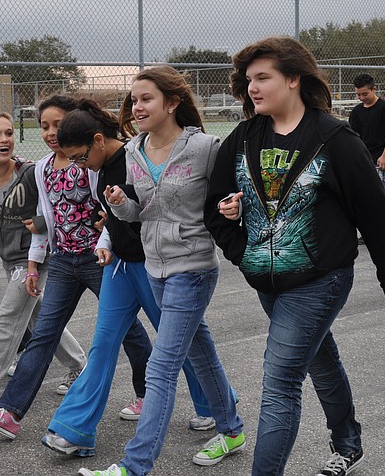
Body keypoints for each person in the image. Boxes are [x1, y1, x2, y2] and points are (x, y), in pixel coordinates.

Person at [205, 36, 385, 476]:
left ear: (294, 79)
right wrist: (243, 251)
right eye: (248, 80)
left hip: (321, 280)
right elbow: (214, 206)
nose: (252, 88)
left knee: (280, 383)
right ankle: (348, 444)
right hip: (266, 278)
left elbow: (376, 214)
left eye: (263, 78)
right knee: (321, 360)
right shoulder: (243, 138)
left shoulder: (335, 139)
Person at [43, 98, 232, 459]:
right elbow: (116, 217)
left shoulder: (135, 156)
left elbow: (156, 209)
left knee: (188, 346)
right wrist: (106, 238)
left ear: (98, 140)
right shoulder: (102, 165)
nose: (79, 165)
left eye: (81, 157)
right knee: (103, 346)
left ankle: (216, 407)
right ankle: (74, 429)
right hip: (120, 267)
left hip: (158, 267)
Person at [80, 67, 243, 476]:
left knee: (162, 366)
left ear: (172, 103)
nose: (137, 107)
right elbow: (142, 214)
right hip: (155, 268)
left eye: (146, 99)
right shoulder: (133, 152)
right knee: (199, 350)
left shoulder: (206, 146)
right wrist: (119, 203)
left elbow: (233, 193)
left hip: (193, 267)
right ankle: (232, 429)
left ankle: (135, 466)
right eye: (134, 100)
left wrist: (232, 207)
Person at [0, 95, 151, 442]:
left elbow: (110, 212)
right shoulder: (42, 170)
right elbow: (46, 225)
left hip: (98, 260)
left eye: (58, 124)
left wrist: (106, 233)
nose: (51, 132)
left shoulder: (91, 163)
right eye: (44, 126)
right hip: (64, 261)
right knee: (43, 334)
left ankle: (147, 394)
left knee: (128, 330)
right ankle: (9, 412)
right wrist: (35, 264)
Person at [0, 112, 86, 411]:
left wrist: (39, 224)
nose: (5, 139)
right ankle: (79, 366)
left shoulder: (30, 173)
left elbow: (57, 208)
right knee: (39, 316)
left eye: (8, 133)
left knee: (7, 321)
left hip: (36, 257)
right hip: (9, 255)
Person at [348, 74, 385, 196]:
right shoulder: (356, 111)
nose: (361, 97)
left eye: (365, 94)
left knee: (377, 191)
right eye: (358, 95)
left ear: (374, 89)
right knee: (365, 191)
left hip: (380, 158)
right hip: (364, 157)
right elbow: (354, 137)